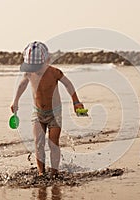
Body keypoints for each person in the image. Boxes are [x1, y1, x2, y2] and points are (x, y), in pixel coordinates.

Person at [10, 41, 84, 177]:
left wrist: (76, 102)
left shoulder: (54, 72)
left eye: (37, 67)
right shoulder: (29, 73)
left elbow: (68, 84)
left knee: (53, 143)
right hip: (37, 113)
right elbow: (22, 85)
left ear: (47, 60)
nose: (34, 70)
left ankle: (54, 172)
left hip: (55, 113)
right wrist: (15, 101)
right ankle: (41, 173)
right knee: (38, 143)